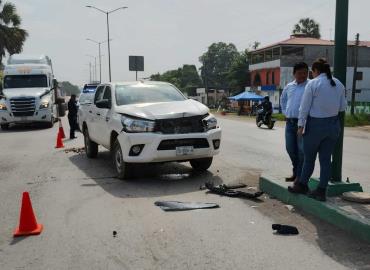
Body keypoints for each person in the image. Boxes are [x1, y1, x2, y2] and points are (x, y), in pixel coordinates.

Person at [288, 58, 347, 201]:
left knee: (309, 159)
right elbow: (342, 108)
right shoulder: (338, 84)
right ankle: (321, 191)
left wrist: (301, 126)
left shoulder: (313, 84)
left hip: (315, 126)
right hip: (333, 125)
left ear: (315, 71)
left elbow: (304, 107)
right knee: (326, 160)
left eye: (311, 72)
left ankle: (302, 185)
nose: (311, 75)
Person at [280, 62, 309, 183]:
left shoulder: (311, 85)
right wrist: (286, 113)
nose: (303, 75)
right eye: (300, 73)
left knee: (301, 151)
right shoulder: (289, 86)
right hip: (290, 122)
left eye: (305, 73)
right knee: (290, 149)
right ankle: (296, 172)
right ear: (294, 74)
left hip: (303, 123)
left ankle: (299, 176)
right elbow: (283, 99)